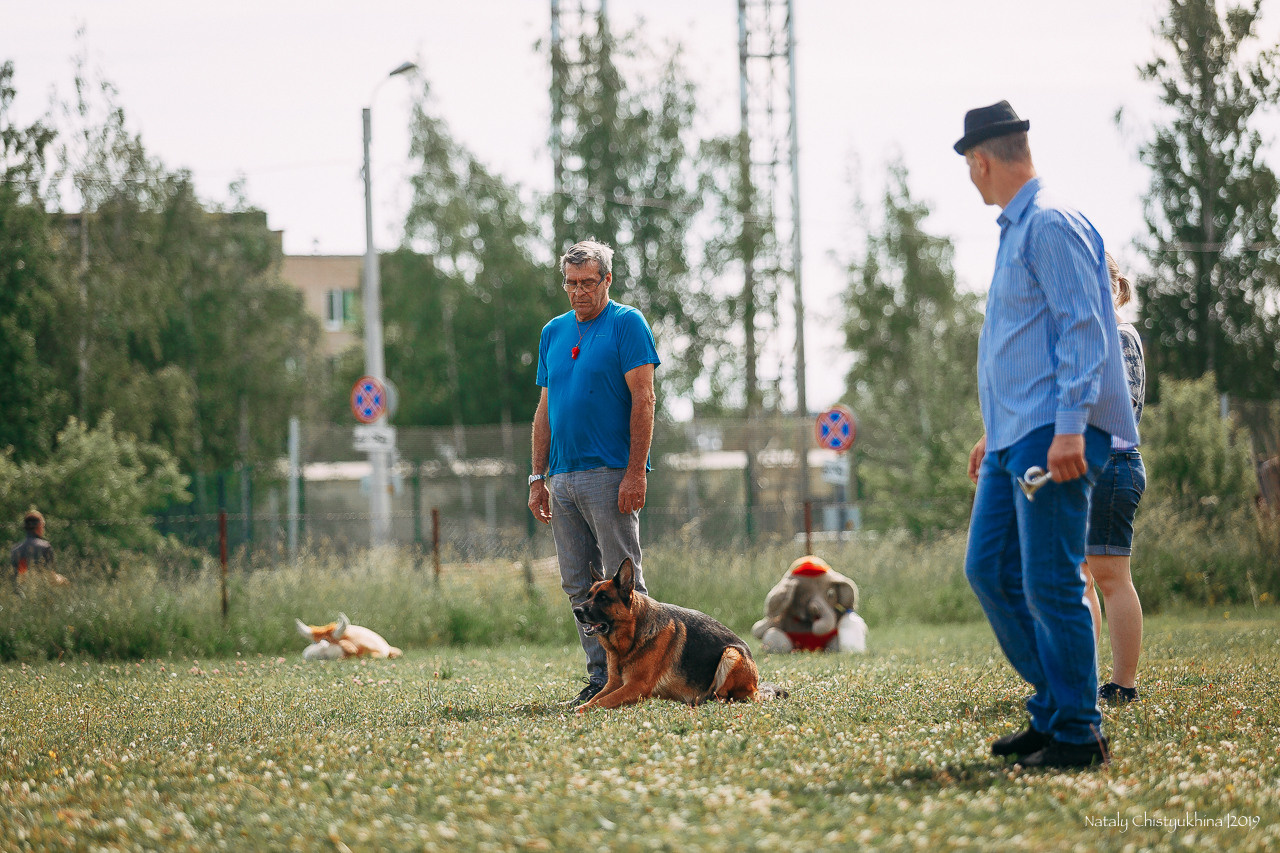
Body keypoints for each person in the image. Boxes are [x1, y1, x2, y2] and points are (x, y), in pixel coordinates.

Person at [956, 101, 1139, 769]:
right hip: (1015, 437)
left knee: (1051, 582)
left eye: (970, 171)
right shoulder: (1017, 230)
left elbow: (1085, 334)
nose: (971, 182)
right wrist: (993, 430)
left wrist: (1068, 429)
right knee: (990, 569)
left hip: (1053, 438)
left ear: (982, 160)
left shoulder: (1052, 223)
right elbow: (1023, 346)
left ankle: (1077, 730)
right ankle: (1058, 704)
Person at [528, 239, 661, 707]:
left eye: (588, 282)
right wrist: (537, 476)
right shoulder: (553, 332)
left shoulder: (628, 324)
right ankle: (602, 680)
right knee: (578, 587)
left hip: (610, 475)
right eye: (571, 283)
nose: (579, 292)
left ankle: (641, 680)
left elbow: (643, 400)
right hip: (561, 479)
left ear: (607, 280)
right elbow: (545, 408)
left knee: (625, 584)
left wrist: (635, 472)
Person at [1082, 253, 1147, 704]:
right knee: (1082, 578)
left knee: (1111, 578)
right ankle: (1082, 678)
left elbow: (1111, 407)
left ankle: (1124, 684)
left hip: (1112, 466)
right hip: (1098, 468)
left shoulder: (1116, 337)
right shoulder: (1114, 334)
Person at [10, 509, 57, 595]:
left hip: (21, 595)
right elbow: (51, 576)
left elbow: (17, 577)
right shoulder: (45, 547)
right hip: (42, 594)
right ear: (39, 526)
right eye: (43, 525)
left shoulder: (15, 550)